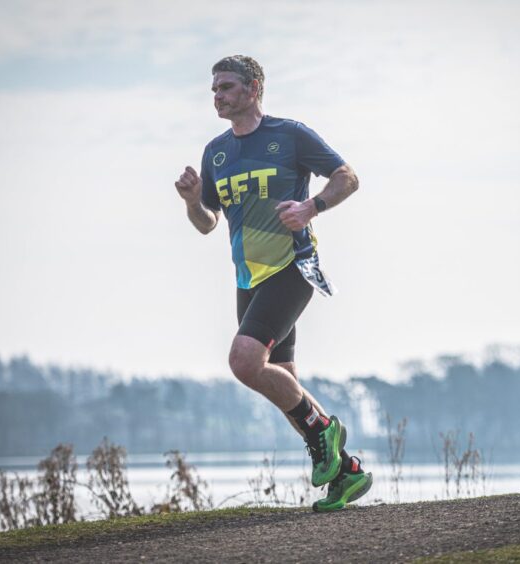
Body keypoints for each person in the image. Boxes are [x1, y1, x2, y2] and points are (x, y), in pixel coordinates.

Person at [174, 55, 372, 511]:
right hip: (248, 279)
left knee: (244, 361)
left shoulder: (290, 135)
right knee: (284, 385)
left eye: (225, 87)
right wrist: (190, 202)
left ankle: (326, 431)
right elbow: (207, 223)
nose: (217, 96)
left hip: (292, 267)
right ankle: (345, 474)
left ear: (253, 89)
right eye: (214, 89)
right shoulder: (215, 152)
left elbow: (348, 177)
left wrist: (312, 207)